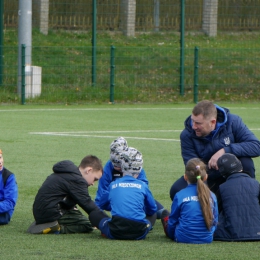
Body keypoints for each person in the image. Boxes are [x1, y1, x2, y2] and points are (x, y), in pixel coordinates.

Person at [170, 100, 260, 200]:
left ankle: (249, 200)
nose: (193, 126)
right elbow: (193, 165)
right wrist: (207, 172)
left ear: (213, 122)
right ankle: (206, 210)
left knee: (246, 162)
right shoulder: (187, 135)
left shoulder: (233, 122)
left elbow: (256, 146)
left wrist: (224, 151)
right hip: (207, 176)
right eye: (193, 121)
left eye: (198, 123)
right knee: (176, 189)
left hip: (230, 174)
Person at [27, 155, 108, 234]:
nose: (93, 183)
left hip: (42, 210)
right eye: (95, 179)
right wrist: (106, 221)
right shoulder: (77, 180)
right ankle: (57, 228)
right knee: (87, 225)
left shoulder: (68, 173)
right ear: (88, 170)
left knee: (79, 215)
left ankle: (47, 222)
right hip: (52, 212)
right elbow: (87, 203)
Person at [89, 147, 157, 240]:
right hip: (139, 234)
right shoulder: (143, 186)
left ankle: (106, 228)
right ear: (140, 168)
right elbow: (152, 209)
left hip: (115, 232)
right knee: (153, 214)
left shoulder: (113, 185)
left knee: (94, 214)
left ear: (121, 166)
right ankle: (147, 227)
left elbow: (100, 204)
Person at [95, 136, 164, 218]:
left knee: (159, 212)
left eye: (120, 166)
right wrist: (99, 216)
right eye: (115, 166)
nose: (118, 169)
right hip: (115, 200)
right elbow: (101, 196)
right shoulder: (107, 168)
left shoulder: (134, 165)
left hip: (135, 199)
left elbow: (144, 190)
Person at [161, 158, 218, 244]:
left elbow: (173, 220)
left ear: (185, 177)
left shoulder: (180, 195)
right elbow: (214, 221)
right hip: (207, 238)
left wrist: (172, 235)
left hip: (182, 237)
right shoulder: (212, 196)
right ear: (206, 177)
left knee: (166, 216)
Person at [214, 153, 260, 241]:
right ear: (240, 166)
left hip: (231, 234)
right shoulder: (256, 184)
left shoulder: (222, 188)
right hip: (257, 232)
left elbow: (217, 211)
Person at [0, 149, 18, 225]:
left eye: (0, 157)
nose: (0, 162)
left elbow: (10, 202)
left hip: (3, 213)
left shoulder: (8, 177)